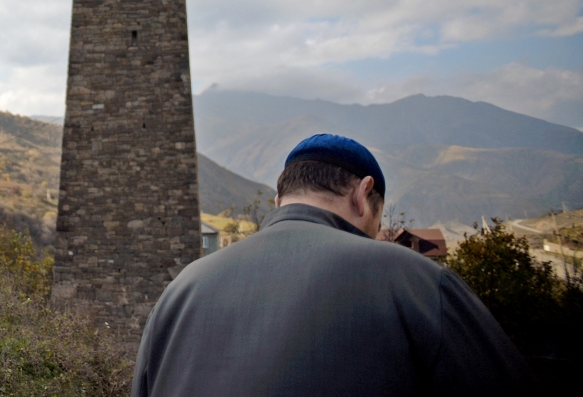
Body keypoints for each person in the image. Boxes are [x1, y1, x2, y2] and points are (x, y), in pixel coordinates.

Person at [131, 133, 534, 396]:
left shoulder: (181, 290)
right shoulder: (417, 280)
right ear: (364, 195)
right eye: (378, 220)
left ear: (279, 201)